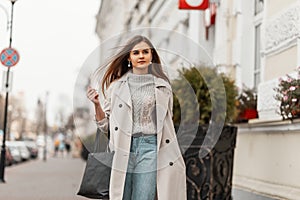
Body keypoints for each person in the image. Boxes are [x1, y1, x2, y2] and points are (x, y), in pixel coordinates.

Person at [87, 35, 186, 200]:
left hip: (151, 147)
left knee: (144, 196)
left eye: (145, 52)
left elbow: (167, 123)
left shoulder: (163, 86)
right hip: (122, 148)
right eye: (136, 53)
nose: (141, 56)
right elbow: (106, 126)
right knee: (122, 196)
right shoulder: (116, 87)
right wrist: (97, 105)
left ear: (151, 55)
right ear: (129, 57)